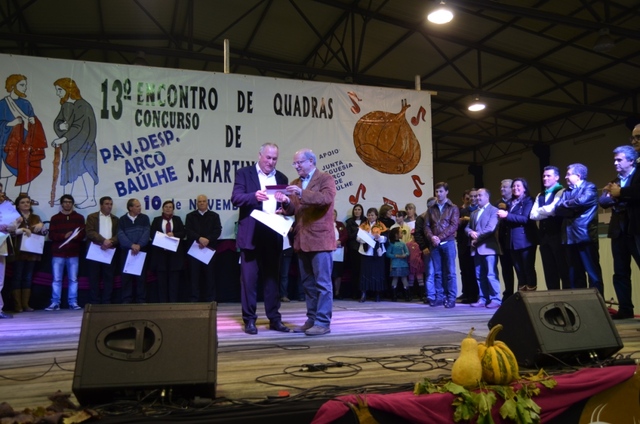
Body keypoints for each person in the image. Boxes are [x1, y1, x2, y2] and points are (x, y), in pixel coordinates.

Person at [276, 149, 336, 336]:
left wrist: (302, 192)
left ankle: (323, 322)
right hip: (302, 240)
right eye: (294, 163)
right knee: (308, 284)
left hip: (320, 240)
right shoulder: (294, 184)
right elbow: (294, 209)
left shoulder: (325, 179)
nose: (296, 166)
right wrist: (286, 202)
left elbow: (326, 199)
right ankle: (312, 319)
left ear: (311, 161)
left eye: (299, 163)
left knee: (323, 284)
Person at [231, 143, 289, 335]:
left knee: (272, 280)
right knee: (249, 281)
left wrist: (284, 208)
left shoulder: (281, 178)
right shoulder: (244, 173)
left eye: (274, 159)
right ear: (260, 155)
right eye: (268, 158)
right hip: (251, 236)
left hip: (273, 234)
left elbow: (286, 206)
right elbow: (236, 198)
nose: (271, 162)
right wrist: (254, 196)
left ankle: (274, 319)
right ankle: (249, 320)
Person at [600, 146, 640, 319]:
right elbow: (603, 201)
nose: (615, 163)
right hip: (618, 231)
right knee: (620, 272)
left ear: (631, 161)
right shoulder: (615, 180)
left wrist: (619, 194)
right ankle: (625, 309)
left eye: (619, 160)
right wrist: (610, 195)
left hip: (635, 229)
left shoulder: (638, 176)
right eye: (614, 160)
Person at [555, 164, 604, 296]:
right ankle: (580, 305)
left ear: (578, 176)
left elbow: (582, 201)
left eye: (568, 174)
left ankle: (597, 306)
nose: (565, 177)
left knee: (592, 273)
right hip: (569, 238)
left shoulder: (590, 187)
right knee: (574, 274)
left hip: (585, 236)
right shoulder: (566, 191)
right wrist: (571, 207)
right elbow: (557, 209)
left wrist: (567, 206)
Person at [51, 77, 98, 209]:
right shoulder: (66, 106)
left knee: (86, 169)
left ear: (68, 90)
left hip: (85, 146)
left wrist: (63, 138)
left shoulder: (83, 106)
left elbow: (80, 127)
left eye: (60, 90)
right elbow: (58, 122)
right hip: (71, 147)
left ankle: (90, 198)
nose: (57, 93)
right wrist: (60, 127)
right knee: (70, 169)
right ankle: (66, 199)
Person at [0, 74, 47, 200]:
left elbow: (33, 122)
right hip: (8, 144)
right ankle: (3, 196)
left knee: (27, 168)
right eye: (22, 85)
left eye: (25, 85)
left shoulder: (26, 104)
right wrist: (11, 123)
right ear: (13, 86)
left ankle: (24, 196)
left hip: (25, 144)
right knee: (6, 172)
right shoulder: (3, 104)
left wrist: (33, 121)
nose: (25, 88)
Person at [529, 166, 570, 290]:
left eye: (548, 176)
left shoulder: (562, 191)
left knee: (563, 268)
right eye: (544, 176)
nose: (545, 178)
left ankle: (567, 298)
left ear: (557, 178)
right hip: (544, 237)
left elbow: (553, 209)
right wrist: (547, 211)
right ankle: (553, 298)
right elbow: (532, 215)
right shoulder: (540, 195)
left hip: (558, 236)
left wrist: (542, 211)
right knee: (549, 270)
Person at [497, 178, 538, 291]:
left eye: (518, 186)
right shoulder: (509, 203)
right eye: (514, 186)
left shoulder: (529, 200)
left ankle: (531, 296)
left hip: (525, 240)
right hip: (511, 241)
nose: (515, 188)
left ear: (524, 188)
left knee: (528, 268)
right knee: (518, 270)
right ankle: (522, 295)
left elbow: (526, 219)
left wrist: (507, 215)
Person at [46, 194, 85, 311]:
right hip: (58, 253)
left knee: (73, 279)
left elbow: (83, 234)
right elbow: (51, 235)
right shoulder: (55, 218)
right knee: (56, 279)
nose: (67, 204)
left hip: (73, 253)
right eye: (65, 202)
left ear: (72, 204)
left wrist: (75, 237)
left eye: (70, 202)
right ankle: (55, 302)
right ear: (61, 204)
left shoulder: (79, 217)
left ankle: (73, 302)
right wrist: (64, 236)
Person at [423, 182, 459, 308]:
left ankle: (451, 298)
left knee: (450, 272)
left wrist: (439, 237)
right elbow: (426, 226)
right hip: (435, 244)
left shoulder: (453, 208)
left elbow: (454, 225)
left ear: (447, 192)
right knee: (437, 273)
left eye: (441, 191)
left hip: (448, 242)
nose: (438, 194)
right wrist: (432, 237)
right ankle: (439, 297)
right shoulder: (431, 208)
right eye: (437, 191)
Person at [466, 188, 502, 308]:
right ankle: (483, 299)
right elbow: (467, 227)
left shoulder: (494, 210)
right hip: (477, 249)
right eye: (476, 196)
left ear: (487, 197)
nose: (477, 198)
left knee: (491, 274)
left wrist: (476, 239)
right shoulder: (474, 212)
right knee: (479, 275)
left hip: (489, 248)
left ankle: (495, 299)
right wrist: (470, 232)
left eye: (480, 195)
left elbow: (490, 229)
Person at [10, 194, 44, 312]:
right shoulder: (14, 216)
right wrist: (22, 229)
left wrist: (41, 225)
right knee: (18, 277)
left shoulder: (35, 217)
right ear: (18, 205)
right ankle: (17, 305)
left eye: (28, 202)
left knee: (28, 278)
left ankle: (26, 304)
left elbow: (43, 233)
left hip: (32, 251)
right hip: (18, 251)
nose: (26, 204)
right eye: (23, 202)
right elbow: (10, 232)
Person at [185, 195, 221, 302]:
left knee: (210, 276)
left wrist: (207, 240)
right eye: (199, 201)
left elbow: (217, 230)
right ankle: (194, 299)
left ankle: (211, 300)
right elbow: (188, 230)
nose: (201, 203)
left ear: (207, 203)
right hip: (195, 249)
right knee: (194, 276)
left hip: (209, 250)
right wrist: (199, 238)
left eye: (203, 201)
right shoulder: (190, 216)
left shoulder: (214, 216)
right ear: (196, 203)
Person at [85, 196, 119, 304]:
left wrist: (110, 242)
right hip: (95, 250)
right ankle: (95, 302)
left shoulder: (115, 219)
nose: (109, 206)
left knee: (109, 278)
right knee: (94, 277)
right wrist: (103, 241)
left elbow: (119, 235)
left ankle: (106, 301)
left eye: (111, 204)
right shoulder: (92, 217)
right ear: (101, 205)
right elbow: (90, 232)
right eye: (107, 204)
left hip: (109, 250)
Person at [151, 200, 186, 303]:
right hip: (160, 254)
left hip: (174, 255)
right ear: (162, 208)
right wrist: (163, 237)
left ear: (173, 209)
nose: (168, 208)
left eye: (170, 207)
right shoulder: (157, 220)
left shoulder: (177, 219)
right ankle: (163, 303)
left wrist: (174, 234)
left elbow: (183, 233)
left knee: (174, 282)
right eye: (166, 206)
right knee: (161, 281)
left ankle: (173, 303)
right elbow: (152, 234)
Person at [117, 198, 150, 303]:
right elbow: (120, 234)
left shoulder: (144, 218)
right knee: (126, 278)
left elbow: (146, 233)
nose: (140, 208)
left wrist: (139, 245)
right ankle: (127, 300)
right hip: (127, 252)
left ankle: (141, 300)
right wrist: (131, 245)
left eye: (140, 206)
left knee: (141, 278)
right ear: (130, 208)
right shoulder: (122, 219)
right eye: (137, 206)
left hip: (140, 252)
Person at [356, 208, 388, 303]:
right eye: (369, 215)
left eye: (372, 215)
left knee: (377, 273)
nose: (371, 217)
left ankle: (377, 294)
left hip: (377, 252)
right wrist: (364, 239)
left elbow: (386, 238)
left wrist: (379, 237)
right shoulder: (363, 225)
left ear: (376, 216)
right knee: (365, 273)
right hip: (366, 252)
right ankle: (363, 294)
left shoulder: (381, 225)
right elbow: (358, 238)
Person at [456, 189, 479, 304]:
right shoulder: (463, 210)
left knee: (476, 271)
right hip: (463, 243)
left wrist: (469, 220)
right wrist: (460, 222)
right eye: (470, 196)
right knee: (465, 270)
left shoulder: (481, 210)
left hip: (477, 244)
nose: (473, 199)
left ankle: (477, 295)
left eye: (475, 196)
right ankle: (468, 294)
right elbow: (456, 227)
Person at [495, 179, 515, 299]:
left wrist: (507, 209)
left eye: (505, 187)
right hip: (502, 241)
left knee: (519, 268)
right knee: (506, 269)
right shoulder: (497, 203)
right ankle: (508, 294)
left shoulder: (516, 201)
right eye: (501, 187)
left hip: (514, 240)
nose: (502, 189)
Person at [345, 204, 364, 299]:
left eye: (359, 209)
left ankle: (363, 292)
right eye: (355, 209)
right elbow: (348, 236)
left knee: (362, 271)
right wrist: (357, 231)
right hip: (354, 249)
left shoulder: (366, 221)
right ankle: (354, 293)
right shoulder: (349, 222)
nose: (357, 211)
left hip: (364, 249)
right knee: (355, 271)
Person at [386, 227, 410, 301]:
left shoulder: (403, 243)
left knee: (404, 279)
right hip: (395, 264)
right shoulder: (391, 244)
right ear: (396, 234)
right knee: (395, 279)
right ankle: (394, 295)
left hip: (403, 264)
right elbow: (387, 254)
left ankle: (407, 295)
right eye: (400, 232)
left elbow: (407, 252)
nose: (402, 234)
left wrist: (404, 255)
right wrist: (395, 256)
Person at [332, 210, 348, 299]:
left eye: (334, 214)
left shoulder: (340, 225)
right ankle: (329, 292)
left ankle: (337, 292)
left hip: (339, 252)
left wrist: (339, 241)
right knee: (328, 273)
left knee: (338, 273)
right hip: (328, 251)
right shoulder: (325, 224)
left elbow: (345, 235)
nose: (332, 216)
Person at [405, 230, 424, 301]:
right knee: (411, 280)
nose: (414, 236)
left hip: (419, 264)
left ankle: (421, 295)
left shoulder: (420, 244)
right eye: (413, 235)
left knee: (420, 280)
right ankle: (410, 295)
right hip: (411, 264)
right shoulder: (408, 244)